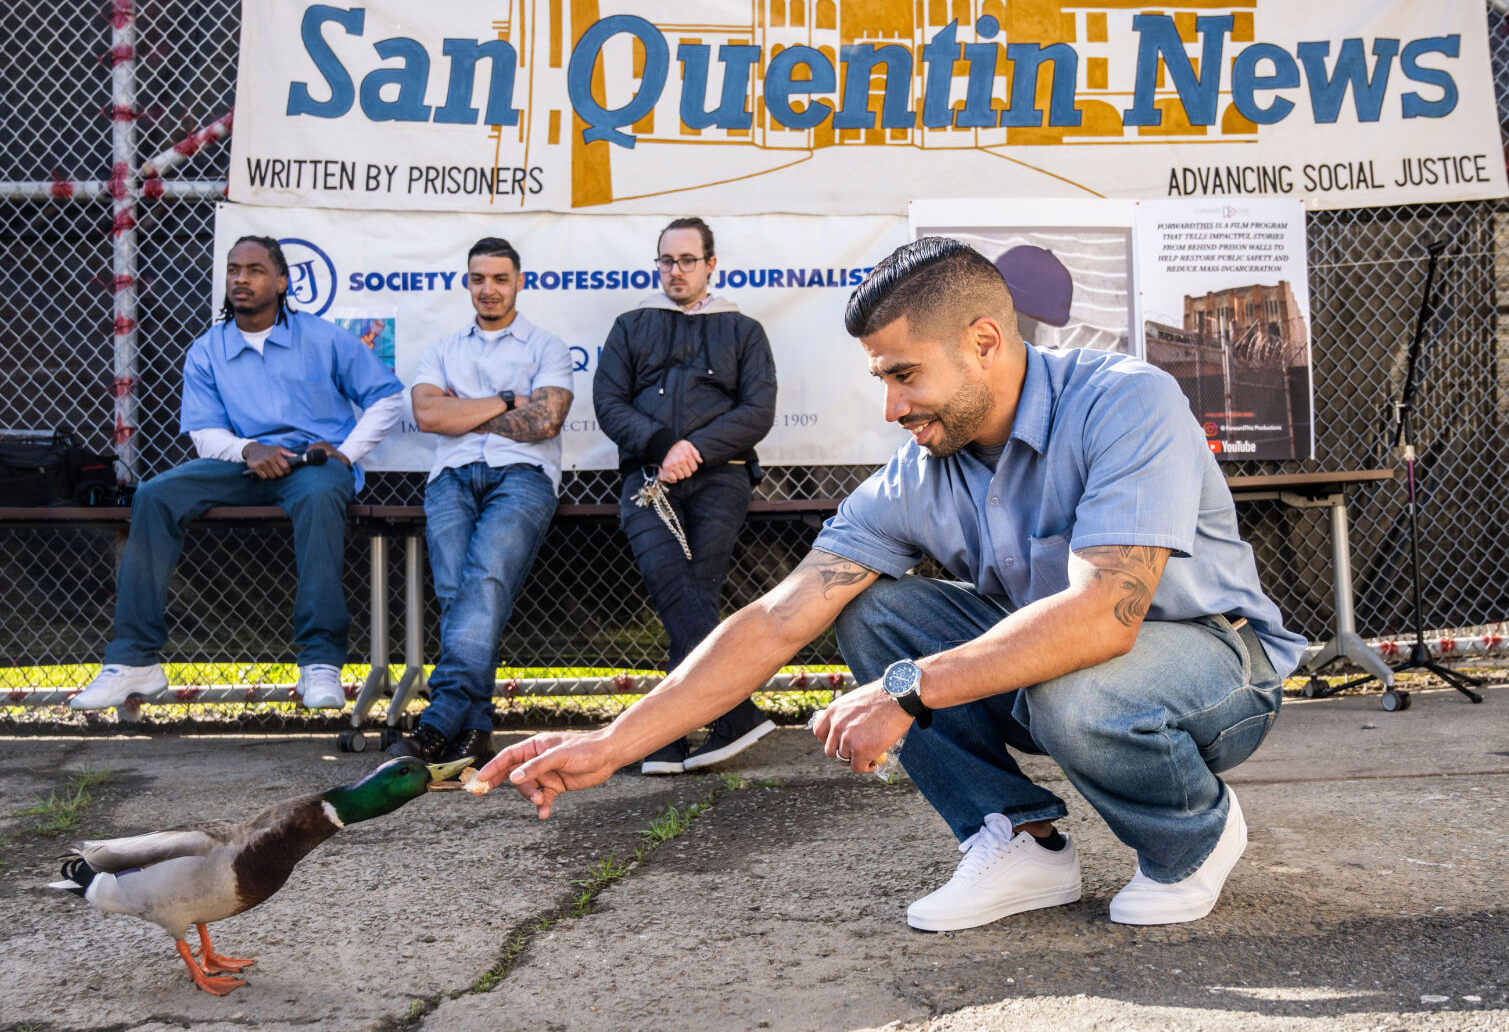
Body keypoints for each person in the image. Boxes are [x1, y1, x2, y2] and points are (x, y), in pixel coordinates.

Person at [481, 238, 1305, 932]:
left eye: (904, 374)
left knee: (1074, 690)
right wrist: (610, 742)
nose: (889, 407)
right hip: (1062, 672)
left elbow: (1101, 618)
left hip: (1213, 665)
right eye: (880, 378)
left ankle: (1190, 835)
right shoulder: (920, 468)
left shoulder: (1125, 400)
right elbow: (775, 618)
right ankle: (1017, 838)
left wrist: (909, 691)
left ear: (985, 340)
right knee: (876, 611)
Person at [72, 235, 405, 712]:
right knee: (155, 495)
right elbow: (206, 435)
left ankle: (319, 661)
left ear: (282, 282)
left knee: (316, 497)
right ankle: (134, 661)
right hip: (242, 465)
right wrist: (249, 449)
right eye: (233, 270)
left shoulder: (323, 337)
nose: (241, 279)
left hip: (312, 468)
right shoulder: (209, 348)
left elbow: (387, 396)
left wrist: (347, 454)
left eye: (254, 270)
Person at [593, 217, 778, 775]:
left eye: (687, 261)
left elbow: (758, 412)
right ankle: (733, 711)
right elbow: (608, 402)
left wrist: (693, 449)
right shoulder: (631, 326)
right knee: (674, 584)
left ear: (710, 265)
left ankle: (665, 735)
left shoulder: (744, 332)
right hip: (647, 477)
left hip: (722, 475)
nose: (676, 271)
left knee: (696, 589)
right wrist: (662, 445)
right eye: (667, 261)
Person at [384, 237, 573, 769]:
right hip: (450, 478)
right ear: (467, 282)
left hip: (524, 476)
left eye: (499, 279)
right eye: (478, 279)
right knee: (457, 593)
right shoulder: (443, 349)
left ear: (519, 282)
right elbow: (427, 416)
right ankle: (476, 728)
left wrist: (462, 411)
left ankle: (440, 719)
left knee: (484, 580)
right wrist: (511, 401)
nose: (488, 289)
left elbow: (546, 421)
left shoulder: (546, 347)